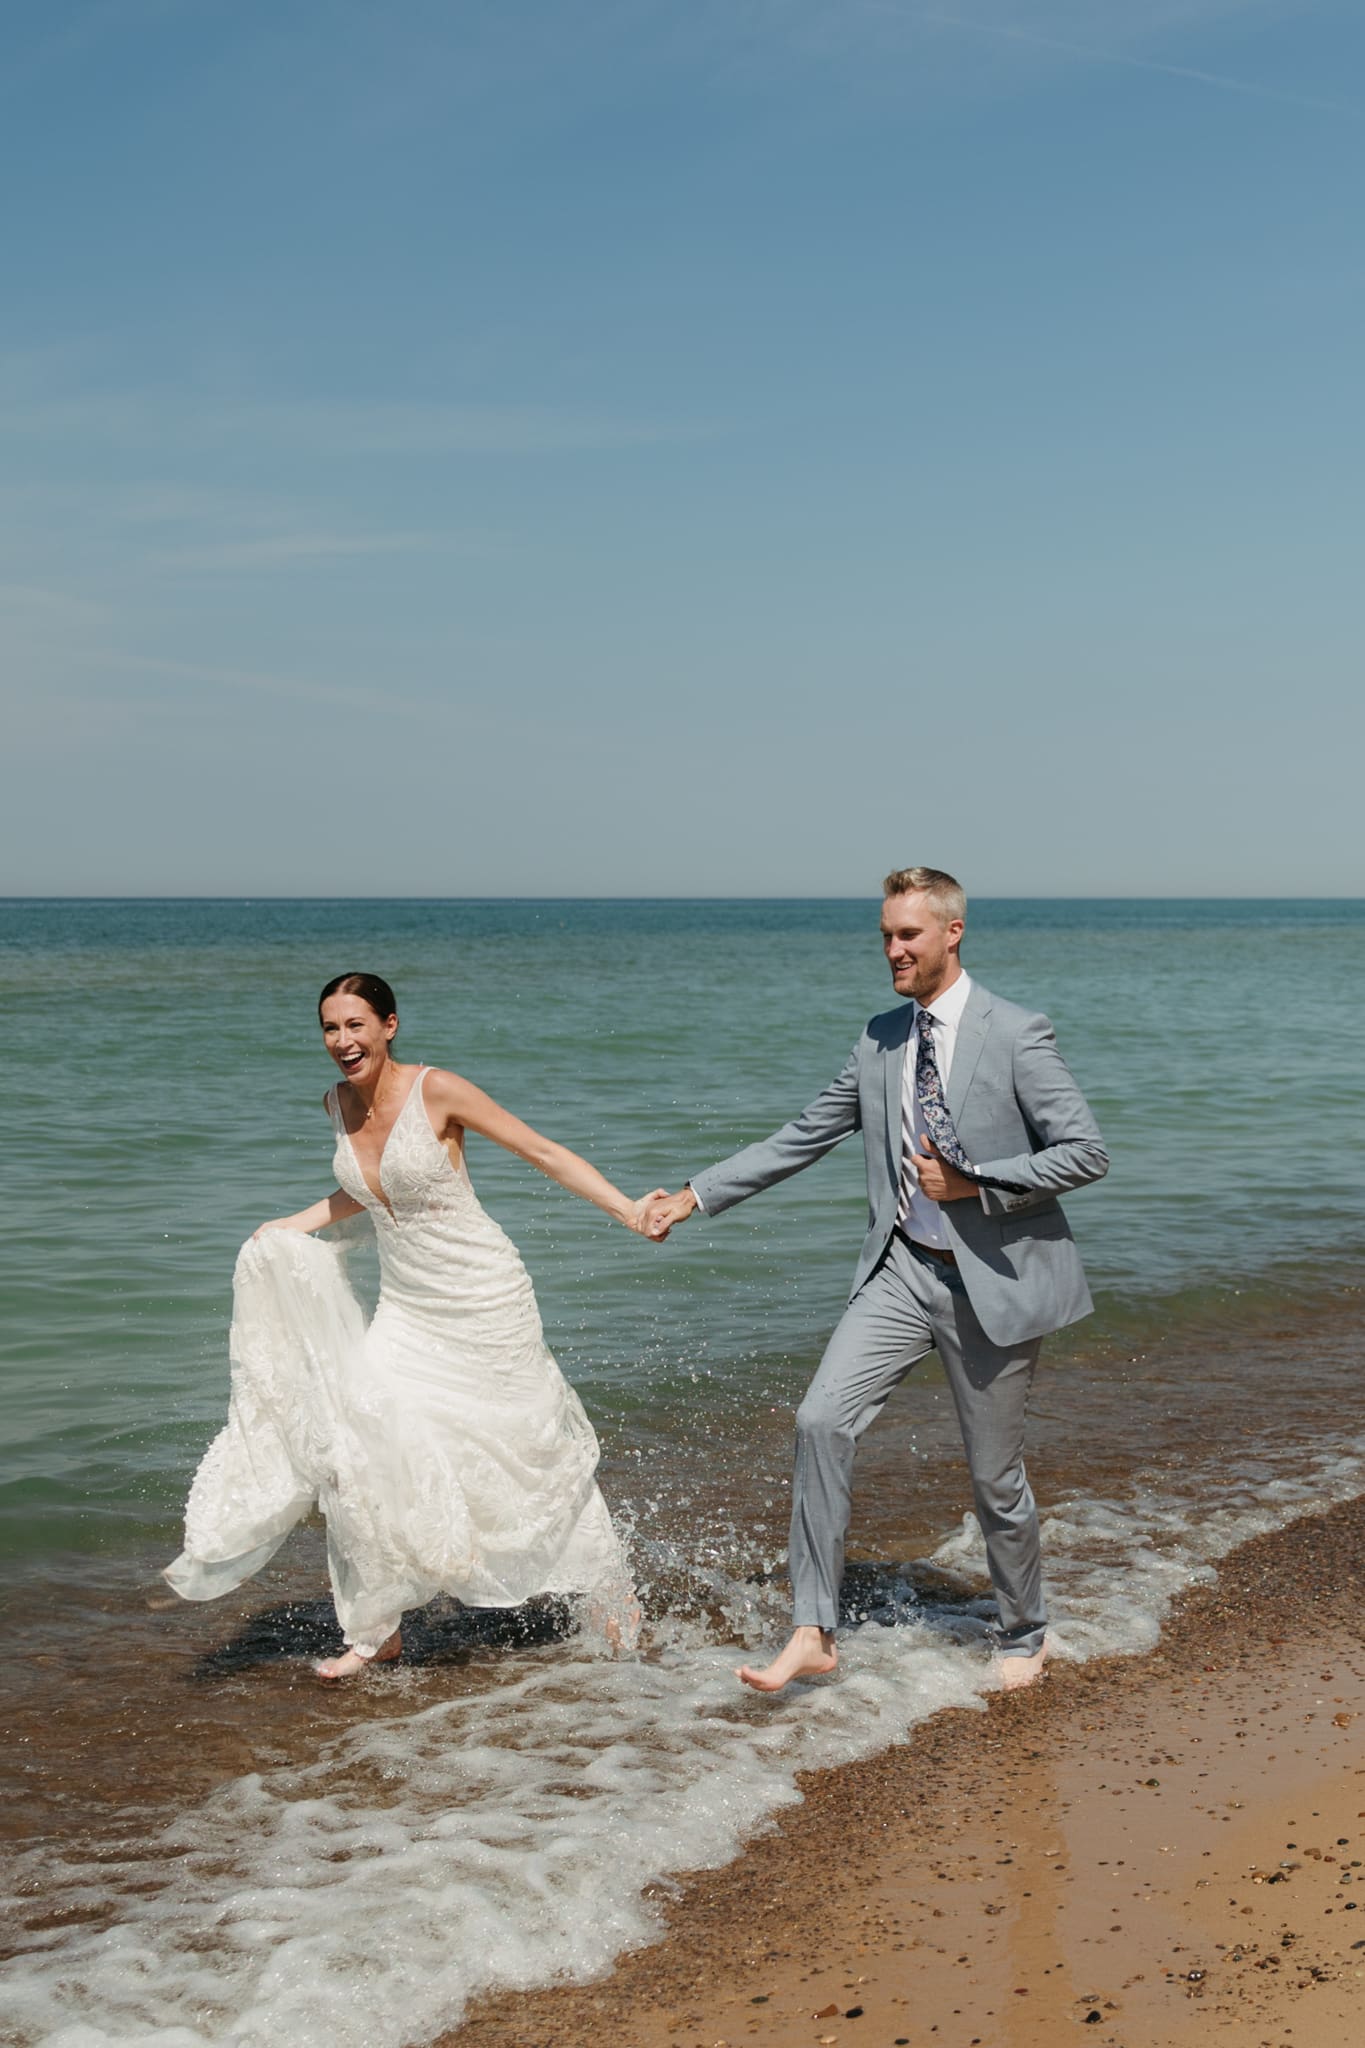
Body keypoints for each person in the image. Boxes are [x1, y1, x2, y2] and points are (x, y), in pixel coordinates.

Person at [644, 867, 1108, 1695]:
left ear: (951, 933)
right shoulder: (880, 1037)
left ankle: (1025, 1629)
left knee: (992, 1475)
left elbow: (1082, 1152)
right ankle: (812, 1628)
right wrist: (694, 1193)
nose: (892, 950)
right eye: (885, 936)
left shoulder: (1014, 1032)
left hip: (990, 1278)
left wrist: (973, 1184)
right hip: (899, 1269)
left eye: (907, 936)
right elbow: (803, 1135)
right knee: (821, 1419)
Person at [165, 972, 662, 1679]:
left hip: (483, 1297)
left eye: (355, 1025)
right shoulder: (337, 1103)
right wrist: (286, 1228)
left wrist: (628, 1211)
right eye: (330, 1029)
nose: (342, 1041)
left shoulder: (438, 1090)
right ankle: (377, 1628)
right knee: (360, 1444)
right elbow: (364, 1190)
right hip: (407, 1307)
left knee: (527, 1449)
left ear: (389, 1026)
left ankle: (609, 1589)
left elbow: (542, 1152)